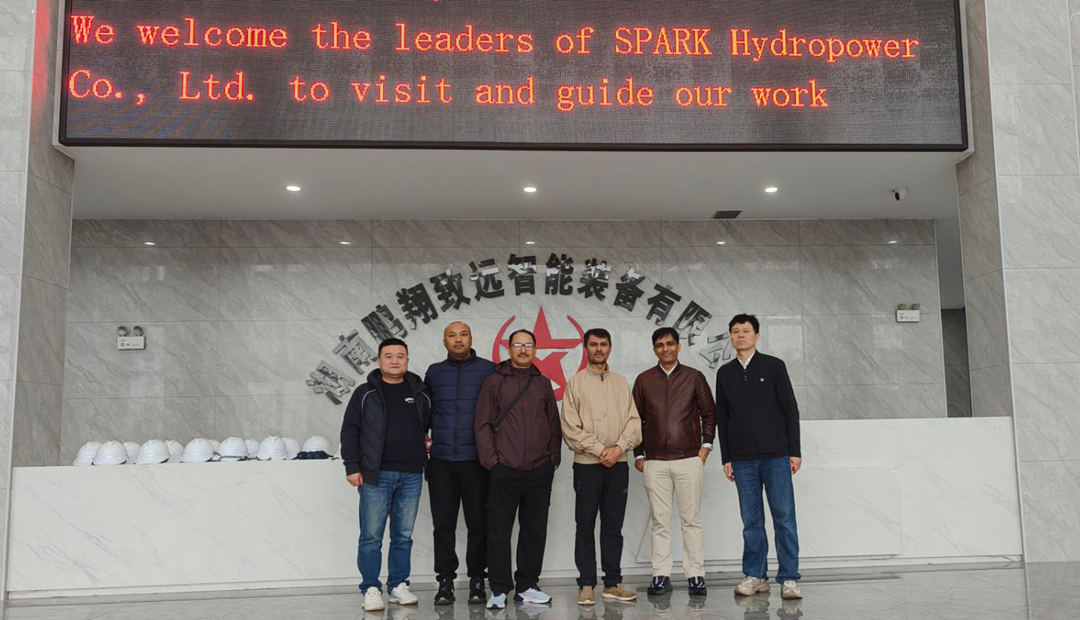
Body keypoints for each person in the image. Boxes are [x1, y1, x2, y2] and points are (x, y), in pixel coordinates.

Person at [340, 338, 433, 612]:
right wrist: (352, 466)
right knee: (371, 536)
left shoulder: (421, 392)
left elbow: (427, 426)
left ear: (407, 360)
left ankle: (398, 585)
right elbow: (350, 429)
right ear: (378, 361)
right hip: (375, 474)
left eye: (400, 356)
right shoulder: (365, 393)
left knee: (403, 535)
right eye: (389, 356)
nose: (395, 360)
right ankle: (370, 588)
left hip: (412, 474)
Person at [716, 314, 803, 600]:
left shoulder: (774, 366)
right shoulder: (725, 373)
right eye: (735, 331)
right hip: (742, 460)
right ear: (731, 336)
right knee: (751, 521)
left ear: (757, 335)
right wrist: (726, 458)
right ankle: (756, 575)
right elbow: (722, 418)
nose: (740, 335)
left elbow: (790, 409)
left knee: (784, 519)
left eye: (746, 330)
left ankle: (789, 578)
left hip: (776, 457)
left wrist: (794, 451)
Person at [475, 329, 562, 610]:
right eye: (517, 345)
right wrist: (492, 461)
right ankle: (499, 589)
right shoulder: (494, 381)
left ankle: (527, 585)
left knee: (534, 530)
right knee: (498, 531)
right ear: (509, 348)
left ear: (535, 349)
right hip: (504, 469)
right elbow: (483, 424)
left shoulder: (542, 382)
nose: (523, 350)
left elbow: (553, 423)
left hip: (539, 469)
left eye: (528, 345)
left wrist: (552, 459)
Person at [632, 327, 716, 597]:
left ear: (679, 346)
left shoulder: (694, 377)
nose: (665, 349)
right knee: (660, 521)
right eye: (660, 345)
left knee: (691, 520)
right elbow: (635, 419)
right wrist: (639, 454)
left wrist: (706, 446)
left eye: (670, 344)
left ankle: (696, 576)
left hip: (688, 459)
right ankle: (661, 575)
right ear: (654, 350)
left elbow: (709, 413)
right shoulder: (644, 380)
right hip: (655, 462)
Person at [562, 328, 642, 606]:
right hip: (587, 466)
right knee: (585, 525)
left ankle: (613, 583)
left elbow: (634, 423)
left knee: (613, 526)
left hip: (618, 465)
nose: (599, 349)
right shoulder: (575, 383)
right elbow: (570, 428)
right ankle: (586, 584)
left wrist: (618, 448)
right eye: (594, 344)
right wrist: (599, 450)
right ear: (585, 348)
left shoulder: (621, 382)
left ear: (610, 348)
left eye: (603, 344)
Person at [424, 321, 497, 605]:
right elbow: (425, 411)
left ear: (471, 338)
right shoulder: (434, 372)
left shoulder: (488, 370)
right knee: (443, 525)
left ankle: (478, 580)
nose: (458, 340)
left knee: (479, 524)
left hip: (476, 461)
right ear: (444, 342)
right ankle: (445, 582)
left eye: (463, 334)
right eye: (451, 335)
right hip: (441, 461)